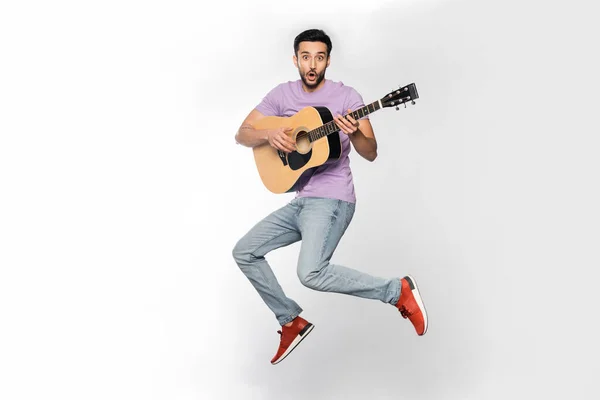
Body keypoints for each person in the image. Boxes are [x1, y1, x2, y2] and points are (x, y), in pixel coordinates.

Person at [232, 29, 428, 365]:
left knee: (310, 272)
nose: (312, 64)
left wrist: (355, 133)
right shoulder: (282, 95)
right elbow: (242, 133)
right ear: (296, 59)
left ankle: (397, 291)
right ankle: (290, 321)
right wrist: (270, 133)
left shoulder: (347, 97)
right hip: (301, 200)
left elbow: (371, 152)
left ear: (328, 61)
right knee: (245, 251)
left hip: (333, 199)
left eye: (319, 57)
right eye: (305, 57)